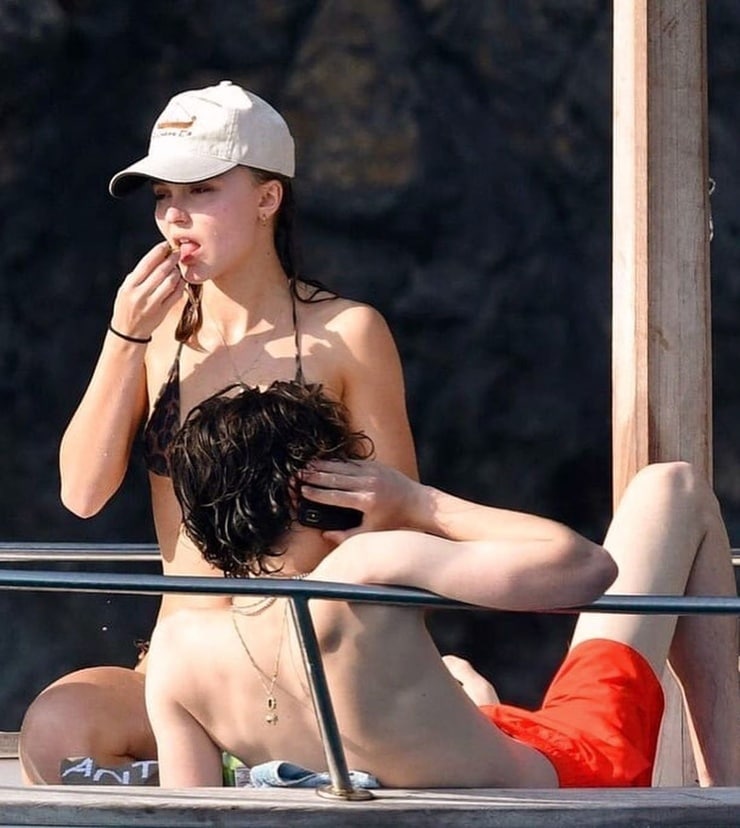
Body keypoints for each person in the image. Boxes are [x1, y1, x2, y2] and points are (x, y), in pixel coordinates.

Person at [19, 81, 417, 784]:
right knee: (56, 729)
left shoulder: (347, 333)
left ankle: (252, 765)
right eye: (162, 196)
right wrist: (123, 337)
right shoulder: (154, 336)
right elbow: (81, 494)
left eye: (201, 191)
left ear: (268, 198)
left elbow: (401, 523)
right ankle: (234, 768)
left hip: (298, 660)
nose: (176, 215)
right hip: (179, 667)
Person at [144, 380, 740, 789]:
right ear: (318, 489)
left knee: (460, 676)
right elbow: (589, 567)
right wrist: (417, 501)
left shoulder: (175, 651)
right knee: (673, 487)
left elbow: (193, 814)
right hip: (568, 779)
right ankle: (727, 792)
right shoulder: (367, 567)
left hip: (454, 774)